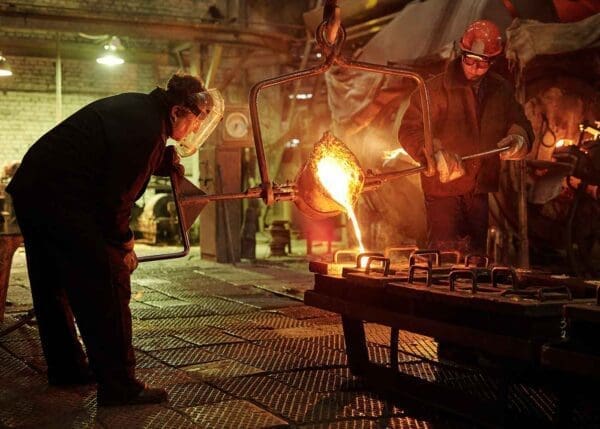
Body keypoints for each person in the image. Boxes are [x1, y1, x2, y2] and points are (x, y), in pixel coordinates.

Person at [7, 73, 223, 406]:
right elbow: (115, 201)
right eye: (195, 121)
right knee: (108, 280)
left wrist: (159, 161)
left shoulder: (141, 111)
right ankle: (119, 385)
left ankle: (67, 370)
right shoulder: (148, 130)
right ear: (179, 111)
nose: (194, 130)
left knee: (52, 284)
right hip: (63, 199)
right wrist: (124, 246)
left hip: (34, 191)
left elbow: (111, 155)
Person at [398, 20, 534, 254]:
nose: (473, 69)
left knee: (475, 260)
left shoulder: (500, 91)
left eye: (481, 64)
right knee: (445, 257)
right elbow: (409, 130)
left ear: (492, 61)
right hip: (443, 189)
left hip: (479, 189)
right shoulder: (434, 89)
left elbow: (520, 123)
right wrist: (434, 152)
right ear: (462, 54)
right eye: (468, 61)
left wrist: (518, 139)